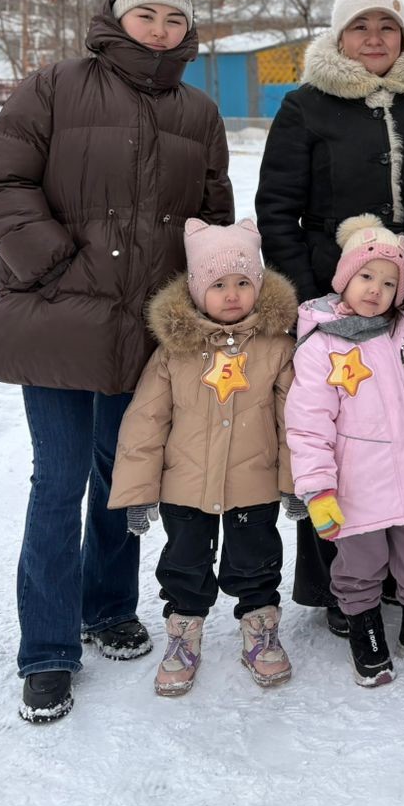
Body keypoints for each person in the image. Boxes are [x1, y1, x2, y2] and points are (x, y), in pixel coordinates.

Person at [0, 0, 233, 723]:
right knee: (58, 481)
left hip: (148, 328)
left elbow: (211, 218)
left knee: (125, 476)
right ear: (118, 19)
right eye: (146, 14)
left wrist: (207, 301)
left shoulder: (199, 111)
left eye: (174, 19)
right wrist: (53, 263)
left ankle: (109, 605)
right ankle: (48, 650)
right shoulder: (54, 87)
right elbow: (2, 182)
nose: (160, 29)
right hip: (60, 316)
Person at [257, 0, 404, 636]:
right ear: (339, 36)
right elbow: (277, 208)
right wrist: (307, 289)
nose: (374, 38)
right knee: (340, 437)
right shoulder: (305, 106)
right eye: (360, 26)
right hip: (332, 297)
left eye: (387, 26)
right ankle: (338, 585)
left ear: (403, 36)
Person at [108, 218, 298, 696]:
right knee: (184, 564)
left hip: (253, 485)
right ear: (196, 290)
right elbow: (145, 424)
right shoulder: (174, 352)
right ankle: (183, 633)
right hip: (185, 488)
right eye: (218, 285)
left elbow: (294, 422)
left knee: (257, 562)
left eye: (242, 283)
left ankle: (260, 627)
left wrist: (296, 484)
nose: (232, 295)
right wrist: (138, 492)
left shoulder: (278, 348)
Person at [285, 215, 404, 687]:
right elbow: (308, 425)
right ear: (344, 278)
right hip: (357, 488)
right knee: (360, 566)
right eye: (366, 276)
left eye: (389, 283)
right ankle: (365, 632)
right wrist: (318, 489)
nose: (376, 289)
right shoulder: (320, 344)